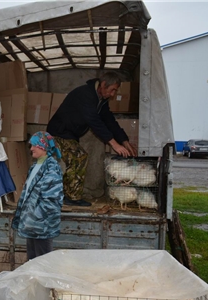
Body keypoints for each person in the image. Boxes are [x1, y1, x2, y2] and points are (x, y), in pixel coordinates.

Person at [46, 71, 138, 206]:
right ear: (103, 84)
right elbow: (93, 120)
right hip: (58, 132)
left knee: (76, 159)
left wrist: (124, 140)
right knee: (79, 157)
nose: (113, 94)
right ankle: (72, 197)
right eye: (112, 90)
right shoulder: (85, 94)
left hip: (70, 135)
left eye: (115, 91)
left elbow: (109, 121)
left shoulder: (101, 100)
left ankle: (67, 194)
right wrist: (114, 144)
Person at [11, 131, 64, 260]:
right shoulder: (35, 167)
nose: (31, 149)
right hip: (33, 226)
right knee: (32, 262)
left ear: (44, 146)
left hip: (41, 228)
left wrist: (34, 218)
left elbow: (51, 201)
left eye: (34, 145)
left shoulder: (51, 169)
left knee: (42, 265)